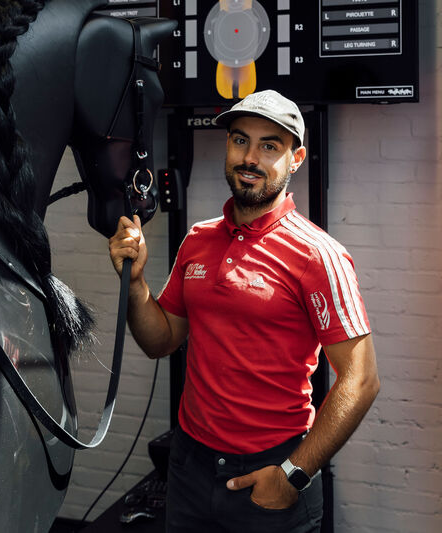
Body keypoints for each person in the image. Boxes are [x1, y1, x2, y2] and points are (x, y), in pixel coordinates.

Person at [108, 90, 379, 532]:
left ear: (296, 159)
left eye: (269, 146)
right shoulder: (198, 240)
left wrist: (293, 474)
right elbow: (160, 341)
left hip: (270, 473)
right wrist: (136, 283)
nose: (249, 157)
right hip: (190, 467)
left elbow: (362, 378)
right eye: (240, 141)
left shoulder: (317, 256)